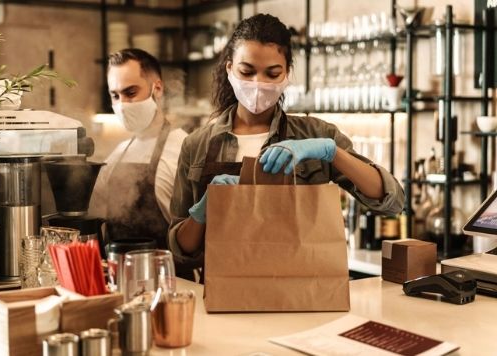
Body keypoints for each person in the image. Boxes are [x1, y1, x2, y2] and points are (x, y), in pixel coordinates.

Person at [168, 14, 405, 271]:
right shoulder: (197, 145)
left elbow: (392, 200)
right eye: (247, 71)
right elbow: (181, 251)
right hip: (222, 292)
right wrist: (203, 210)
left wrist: (331, 151)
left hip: (299, 290)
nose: (259, 83)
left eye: (272, 73)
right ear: (229, 69)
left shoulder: (315, 132)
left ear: (287, 75)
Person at [90, 48, 188, 256]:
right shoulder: (118, 153)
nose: (122, 104)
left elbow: (194, 235)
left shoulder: (183, 148)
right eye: (115, 96)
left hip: (170, 278)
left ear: (157, 89)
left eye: (131, 93)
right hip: (118, 278)